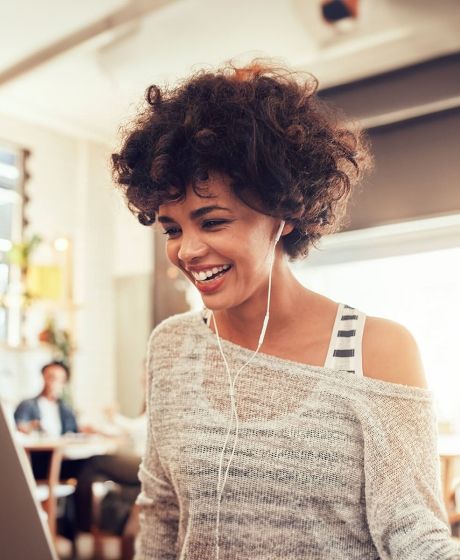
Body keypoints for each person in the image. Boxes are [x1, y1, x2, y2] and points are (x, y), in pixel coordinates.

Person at [111, 61, 460, 559]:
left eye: (211, 222)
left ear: (285, 214)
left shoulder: (375, 350)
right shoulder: (173, 346)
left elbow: (415, 537)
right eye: (172, 228)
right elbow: (163, 517)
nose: (186, 250)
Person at [14, 360, 78, 438]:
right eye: (50, 377)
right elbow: (17, 428)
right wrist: (29, 427)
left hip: (61, 449)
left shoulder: (66, 409)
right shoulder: (27, 405)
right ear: (43, 377)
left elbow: (74, 432)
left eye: (57, 379)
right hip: (36, 449)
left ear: (64, 382)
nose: (51, 382)